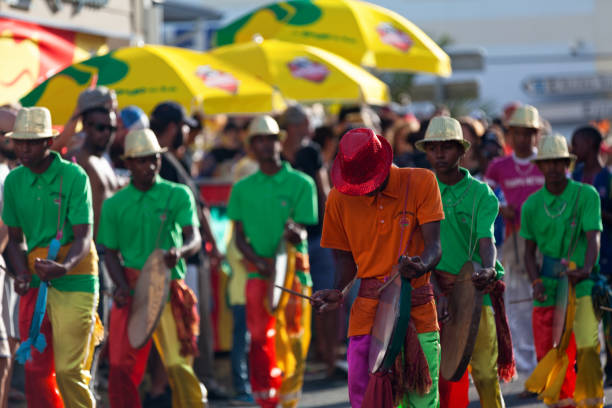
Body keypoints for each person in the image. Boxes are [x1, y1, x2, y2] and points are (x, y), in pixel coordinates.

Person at [312, 127, 445, 408]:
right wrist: (338, 291)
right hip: (367, 313)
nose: (364, 189)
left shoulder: (422, 181)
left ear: (383, 163)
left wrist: (420, 266)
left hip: (416, 305)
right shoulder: (338, 198)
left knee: (422, 400)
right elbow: (345, 260)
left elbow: (434, 247)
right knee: (366, 400)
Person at [97, 128, 207, 407]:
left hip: (170, 289)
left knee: (178, 366)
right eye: (142, 160)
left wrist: (179, 251)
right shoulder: (114, 205)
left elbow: (193, 237)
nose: (150, 165)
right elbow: (108, 251)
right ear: (128, 163)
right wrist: (121, 286)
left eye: (154, 159)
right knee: (121, 367)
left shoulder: (177, 194)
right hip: (131, 292)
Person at [3, 107, 101, 407]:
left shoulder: (73, 176)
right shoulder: (13, 180)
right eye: (18, 141)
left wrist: (65, 267)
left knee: (69, 370)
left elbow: (85, 236)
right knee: (35, 369)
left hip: (77, 274)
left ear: (48, 142)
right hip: (36, 278)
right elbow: (14, 240)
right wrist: (20, 273)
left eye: (31, 142)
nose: (22, 148)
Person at [417, 117, 511, 408]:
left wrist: (488, 269)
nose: (439, 154)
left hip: (474, 289)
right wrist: (433, 289)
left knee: (484, 371)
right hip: (433, 290)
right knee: (445, 377)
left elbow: (487, 239)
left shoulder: (481, 193)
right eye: (433, 148)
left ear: (462, 151)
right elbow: (419, 246)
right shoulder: (420, 190)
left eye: (447, 147)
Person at [227, 115, 317, 408]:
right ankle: (267, 400)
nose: (266, 145)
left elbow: (305, 227)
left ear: (280, 141)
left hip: (293, 272)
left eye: (270, 138)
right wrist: (257, 261)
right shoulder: (241, 188)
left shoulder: (301, 183)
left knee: (293, 338)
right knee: (259, 339)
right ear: (252, 146)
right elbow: (239, 237)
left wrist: (295, 234)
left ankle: (289, 401)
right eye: (259, 140)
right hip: (257, 270)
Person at [521, 133, 603, 407]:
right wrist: (535, 282)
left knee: (588, 347)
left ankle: (591, 401)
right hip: (547, 286)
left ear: (567, 164)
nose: (554, 168)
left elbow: (594, 238)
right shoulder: (531, 205)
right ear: (540, 166)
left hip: (582, 282)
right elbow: (529, 253)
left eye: (559, 162)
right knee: (550, 353)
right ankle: (562, 401)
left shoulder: (586, 195)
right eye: (548, 163)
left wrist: (587, 268)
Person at [150, 101, 225, 398]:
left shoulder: (173, 160)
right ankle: (183, 388)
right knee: (187, 330)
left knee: (187, 329)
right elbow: (189, 215)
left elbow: (198, 208)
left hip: (188, 257)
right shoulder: (163, 161)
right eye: (183, 126)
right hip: (183, 261)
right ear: (172, 127)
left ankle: (185, 387)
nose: (186, 133)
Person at [484, 104, 544, 375]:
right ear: (510, 135)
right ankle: (528, 363)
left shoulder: (549, 160)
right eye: (517, 133)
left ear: (536, 134)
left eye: (528, 133)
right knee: (518, 301)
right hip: (513, 241)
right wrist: (500, 206)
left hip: (547, 241)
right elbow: (487, 195)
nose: (522, 138)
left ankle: (548, 359)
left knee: (546, 299)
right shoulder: (499, 166)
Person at [280, 105, 338, 376]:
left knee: (325, 297)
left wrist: (332, 230)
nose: (309, 128)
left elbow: (323, 191)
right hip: (287, 240)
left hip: (316, 236)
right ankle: (304, 359)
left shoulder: (310, 152)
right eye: (305, 123)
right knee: (294, 302)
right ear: (293, 126)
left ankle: (328, 357)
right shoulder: (275, 154)